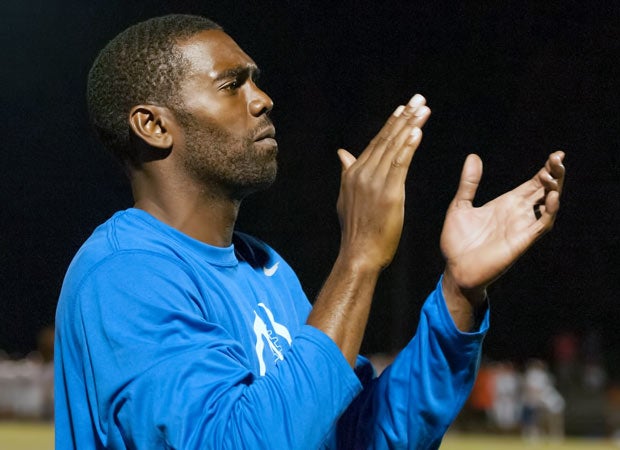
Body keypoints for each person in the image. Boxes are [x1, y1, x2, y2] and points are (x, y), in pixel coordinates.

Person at [54, 14, 566, 449]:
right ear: (154, 125)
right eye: (233, 85)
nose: (263, 99)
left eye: (256, 80)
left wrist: (458, 294)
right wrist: (358, 258)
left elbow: (360, 434)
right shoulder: (124, 275)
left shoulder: (266, 269)